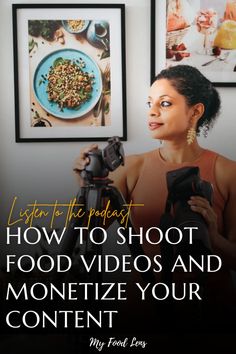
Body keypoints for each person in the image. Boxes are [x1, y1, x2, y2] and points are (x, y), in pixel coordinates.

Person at [73, 65, 236, 327]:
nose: (151, 111)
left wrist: (213, 237)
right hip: (143, 309)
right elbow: (88, 233)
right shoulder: (131, 168)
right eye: (150, 103)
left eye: (165, 103)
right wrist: (86, 185)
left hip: (212, 313)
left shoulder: (229, 173)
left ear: (195, 111)